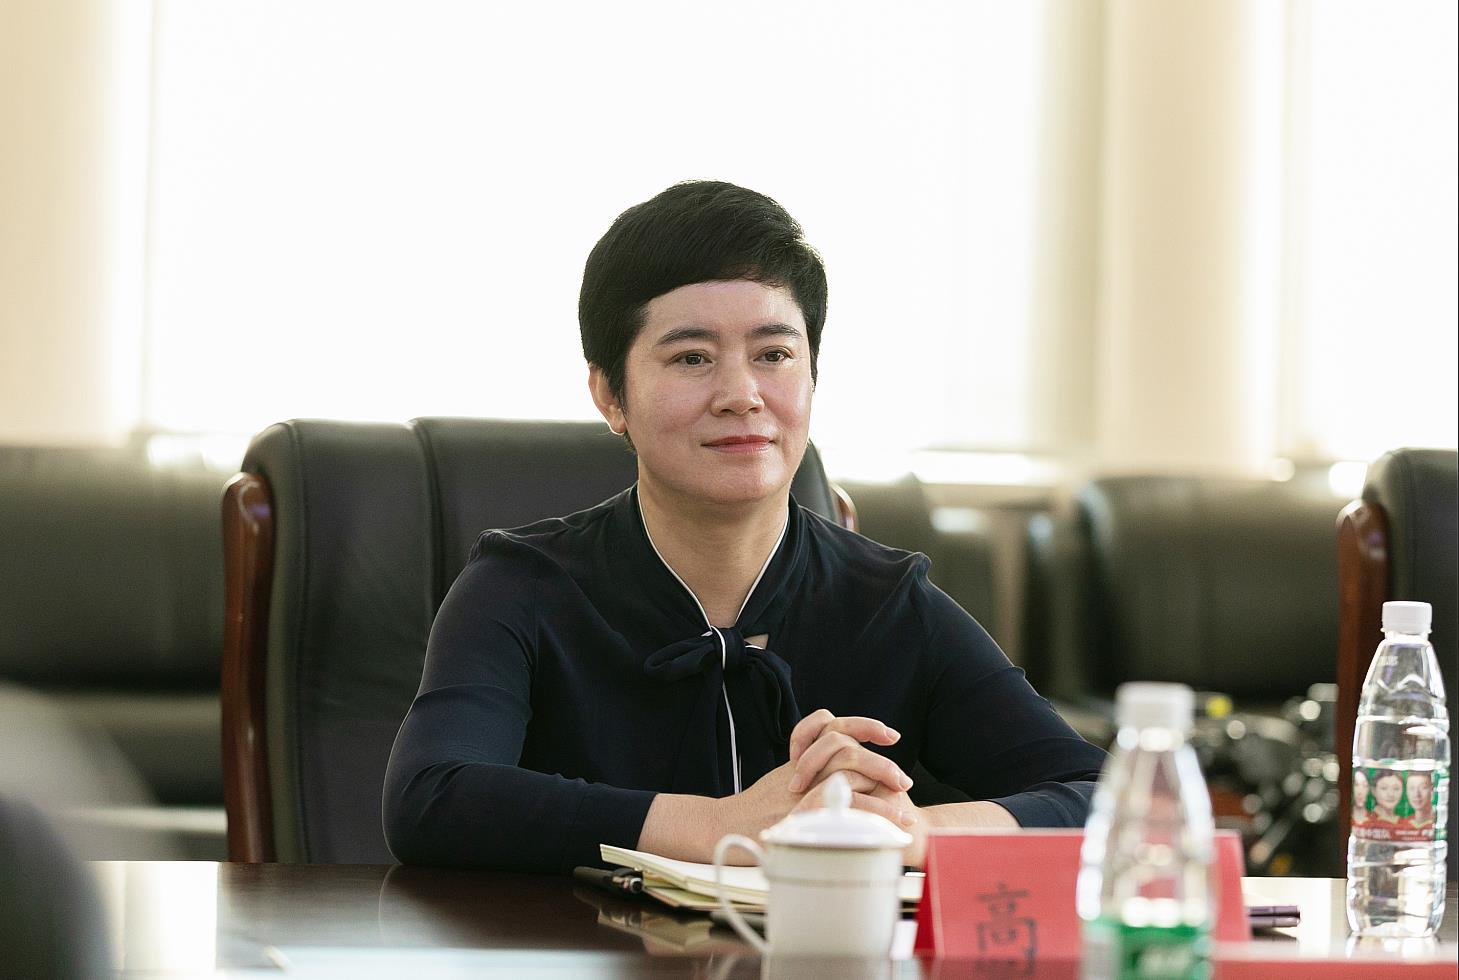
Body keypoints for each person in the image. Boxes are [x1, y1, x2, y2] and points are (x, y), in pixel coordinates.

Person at [382, 180, 1108, 873]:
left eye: (774, 355)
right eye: (691, 358)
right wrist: (719, 825)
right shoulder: (521, 586)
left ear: (812, 378)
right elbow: (431, 795)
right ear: (609, 394)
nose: (741, 394)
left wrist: (914, 830)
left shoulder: (888, 603)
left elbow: (1103, 797)